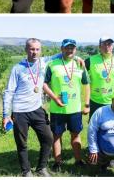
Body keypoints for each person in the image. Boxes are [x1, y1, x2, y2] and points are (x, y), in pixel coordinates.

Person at [2, 38, 54, 177]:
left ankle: (41, 168)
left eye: (37, 49)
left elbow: (63, 54)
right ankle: (26, 171)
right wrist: (6, 115)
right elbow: (8, 92)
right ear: (26, 50)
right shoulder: (17, 68)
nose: (34, 52)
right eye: (31, 49)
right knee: (22, 143)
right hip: (20, 112)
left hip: (37, 110)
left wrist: (78, 58)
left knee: (48, 139)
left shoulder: (43, 62)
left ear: (40, 51)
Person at [43, 39, 90, 172]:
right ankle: (58, 162)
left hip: (75, 109)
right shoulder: (52, 64)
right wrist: (54, 98)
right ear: (61, 49)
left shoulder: (80, 64)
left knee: (76, 135)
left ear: (75, 49)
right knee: (57, 135)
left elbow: (87, 85)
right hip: (57, 108)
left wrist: (86, 104)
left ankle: (78, 160)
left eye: (72, 48)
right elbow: (44, 84)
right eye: (67, 48)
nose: (70, 50)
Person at [85, 36, 114, 119]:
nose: (107, 46)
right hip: (95, 101)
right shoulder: (90, 60)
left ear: (112, 46)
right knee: (94, 129)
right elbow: (77, 70)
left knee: (112, 128)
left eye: (109, 44)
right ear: (99, 46)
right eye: (104, 44)